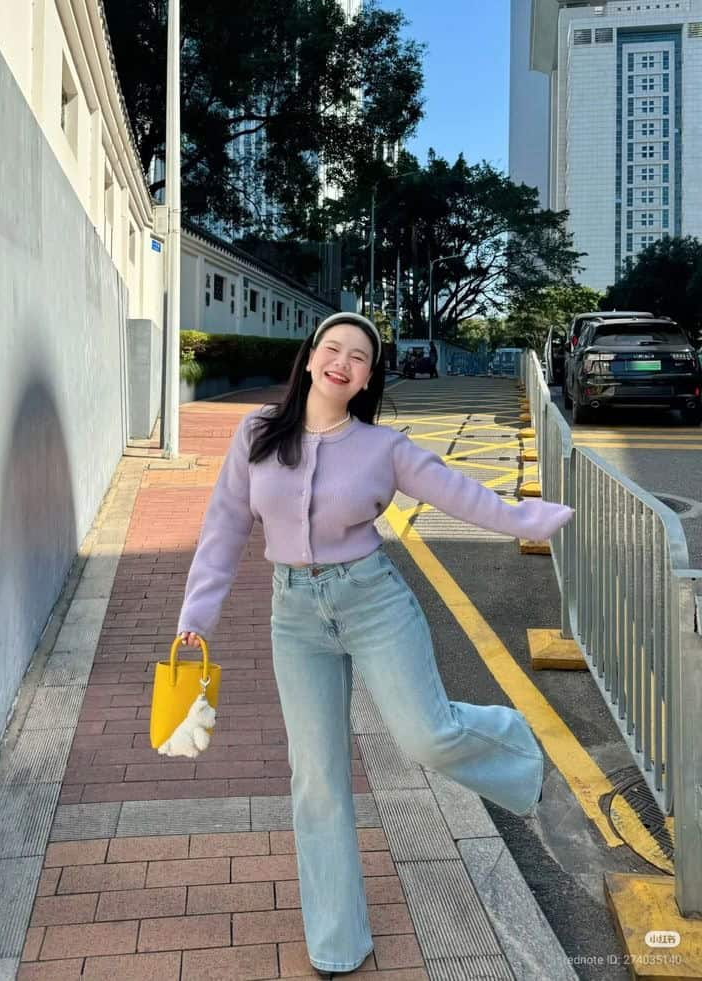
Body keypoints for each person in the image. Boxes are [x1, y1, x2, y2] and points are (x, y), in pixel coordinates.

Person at [176, 311, 573, 977]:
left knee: (427, 735)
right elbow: (224, 526)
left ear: (366, 379)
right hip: (293, 616)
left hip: (372, 601)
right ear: (310, 359)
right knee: (317, 777)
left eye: (357, 357)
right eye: (332, 349)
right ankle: (336, 943)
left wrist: (528, 518)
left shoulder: (383, 448)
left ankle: (514, 741)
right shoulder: (257, 433)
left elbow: (459, 493)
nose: (342, 362)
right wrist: (198, 613)